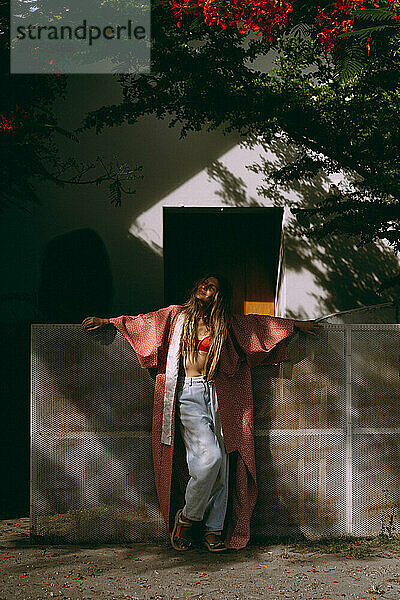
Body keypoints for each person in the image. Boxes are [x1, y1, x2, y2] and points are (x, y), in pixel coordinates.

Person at [81, 274, 322, 552]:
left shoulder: (225, 324)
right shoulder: (175, 317)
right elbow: (142, 322)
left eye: (212, 287)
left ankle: (214, 528)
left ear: (218, 296)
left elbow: (259, 325)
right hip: (188, 393)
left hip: (218, 392)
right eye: (203, 283)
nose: (204, 287)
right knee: (210, 458)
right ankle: (187, 518)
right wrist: (109, 322)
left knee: (222, 465)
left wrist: (294, 326)